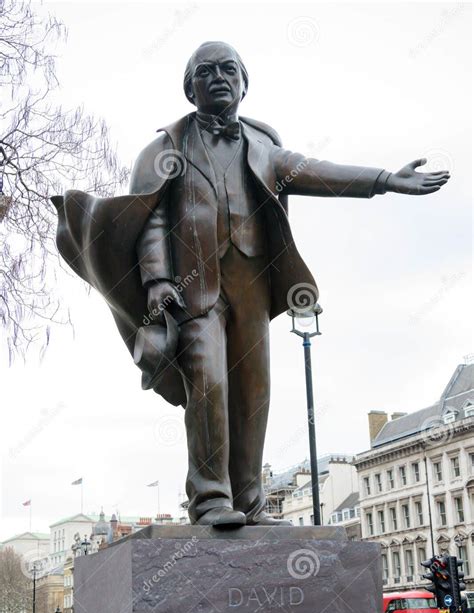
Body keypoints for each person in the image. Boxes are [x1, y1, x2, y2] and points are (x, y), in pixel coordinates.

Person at [52, 42, 449, 527]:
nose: (218, 78)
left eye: (228, 69)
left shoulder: (262, 146)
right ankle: (210, 500)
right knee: (209, 384)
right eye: (205, 71)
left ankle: (252, 503)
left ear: (243, 82)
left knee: (254, 394)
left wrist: (385, 179)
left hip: (252, 286)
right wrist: (156, 281)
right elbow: (148, 219)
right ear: (189, 86)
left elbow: (318, 173)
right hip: (194, 291)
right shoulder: (164, 149)